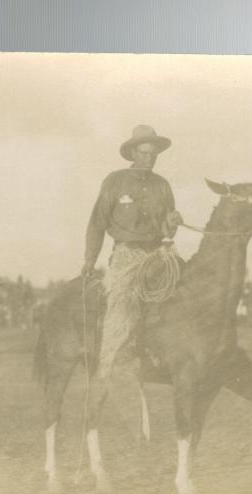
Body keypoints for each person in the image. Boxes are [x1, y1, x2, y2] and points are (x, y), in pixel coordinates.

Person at [82, 125, 183, 378]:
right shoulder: (115, 181)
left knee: (186, 291)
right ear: (133, 153)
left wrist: (171, 224)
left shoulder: (162, 185)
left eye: (154, 154)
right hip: (127, 255)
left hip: (159, 254)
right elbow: (97, 222)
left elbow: (167, 231)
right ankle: (110, 362)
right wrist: (89, 260)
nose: (150, 159)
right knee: (122, 304)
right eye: (145, 153)